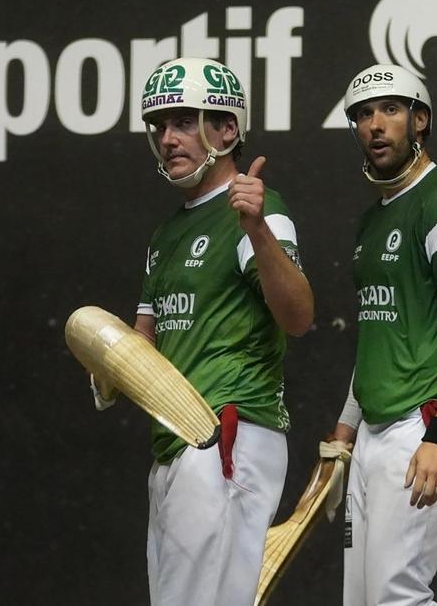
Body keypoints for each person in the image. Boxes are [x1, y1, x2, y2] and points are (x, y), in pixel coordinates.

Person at [105, 56, 314, 606]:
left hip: (227, 432)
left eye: (184, 122)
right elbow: (145, 338)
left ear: (227, 129)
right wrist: (107, 363)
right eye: (160, 126)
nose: (168, 138)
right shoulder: (166, 234)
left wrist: (257, 231)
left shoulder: (259, 212)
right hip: (174, 443)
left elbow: (299, 317)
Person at [329, 64, 437, 606]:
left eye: (390, 110)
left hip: (428, 423)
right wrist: (345, 432)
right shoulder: (372, 220)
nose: (375, 125)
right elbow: (381, 333)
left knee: (394, 596)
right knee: (362, 600)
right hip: (374, 433)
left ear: (420, 120)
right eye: (363, 115)